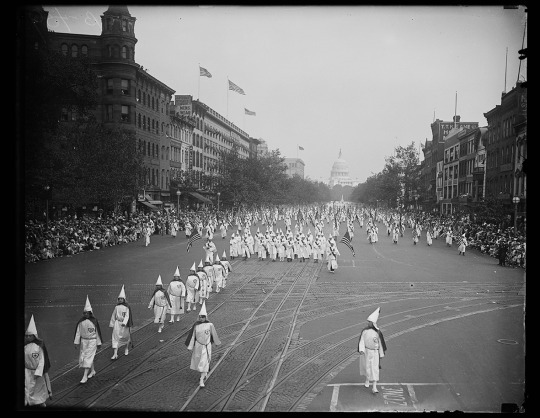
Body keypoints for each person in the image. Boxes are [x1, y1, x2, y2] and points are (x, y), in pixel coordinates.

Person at [185, 301, 221, 387]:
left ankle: (201, 380)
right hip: (198, 346)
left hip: (207, 346)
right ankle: (204, 374)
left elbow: (214, 334)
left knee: (204, 361)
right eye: (200, 317)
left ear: (206, 317)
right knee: (199, 361)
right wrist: (190, 347)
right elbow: (193, 336)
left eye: (203, 317)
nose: (201, 318)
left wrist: (216, 342)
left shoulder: (210, 325)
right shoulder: (196, 326)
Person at [24, 315, 52, 407]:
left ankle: (40, 401)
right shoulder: (24, 346)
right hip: (27, 371)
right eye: (26, 335)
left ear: (34, 336)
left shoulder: (39, 346)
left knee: (38, 389)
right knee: (27, 388)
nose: (28, 337)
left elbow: (42, 360)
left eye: (30, 335)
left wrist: (38, 372)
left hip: (36, 372)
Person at [74, 296, 103, 383]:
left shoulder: (94, 321)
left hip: (92, 341)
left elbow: (97, 333)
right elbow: (78, 332)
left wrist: (98, 343)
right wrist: (76, 342)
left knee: (88, 357)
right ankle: (93, 371)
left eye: (87, 313)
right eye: (84, 313)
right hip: (84, 341)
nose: (86, 314)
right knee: (86, 356)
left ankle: (85, 376)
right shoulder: (81, 322)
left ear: (90, 313)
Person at [358, 307, 387, 395]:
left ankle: (374, 387)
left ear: (373, 323)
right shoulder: (365, 331)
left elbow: (381, 344)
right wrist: (362, 349)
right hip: (366, 351)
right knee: (367, 367)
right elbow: (362, 340)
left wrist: (381, 354)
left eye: (370, 322)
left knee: (374, 369)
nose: (368, 323)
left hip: (374, 353)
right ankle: (367, 380)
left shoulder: (378, 333)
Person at [109, 285, 133, 360]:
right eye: (119, 299)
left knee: (125, 337)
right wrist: (112, 324)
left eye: (121, 299)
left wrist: (124, 322)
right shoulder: (116, 307)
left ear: (124, 299)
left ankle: (126, 348)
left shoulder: (127, 307)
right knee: (115, 337)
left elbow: (127, 316)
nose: (120, 300)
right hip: (117, 324)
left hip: (124, 325)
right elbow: (113, 315)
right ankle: (115, 354)